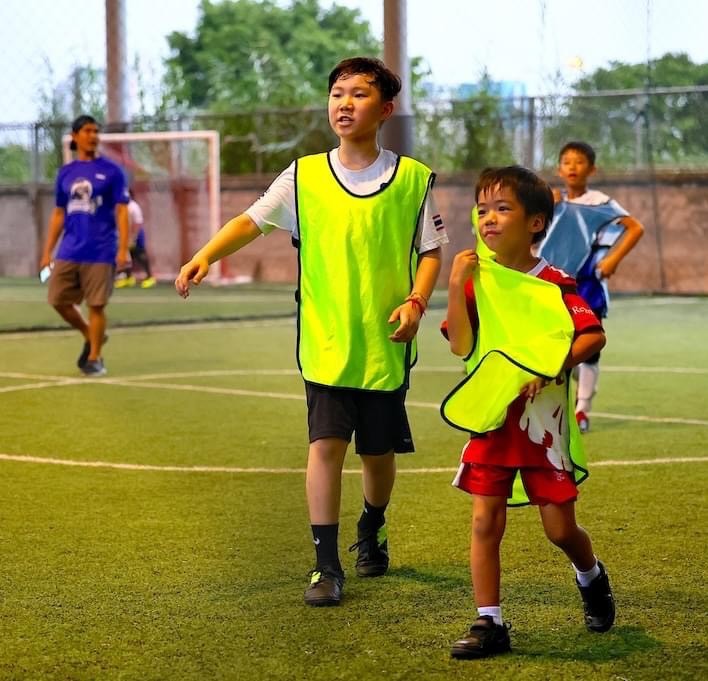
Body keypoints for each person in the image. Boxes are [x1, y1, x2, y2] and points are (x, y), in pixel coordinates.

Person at [175, 57, 447, 606]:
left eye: (359, 94)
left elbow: (432, 251)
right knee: (324, 446)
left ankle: (372, 524)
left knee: (377, 456)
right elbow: (250, 219)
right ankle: (326, 567)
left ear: (385, 108)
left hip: (384, 344)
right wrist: (205, 255)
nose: (344, 103)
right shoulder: (303, 176)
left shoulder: (413, 179)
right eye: (337, 93)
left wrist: (417, 301)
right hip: (324, 344)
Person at [442, 166, 614, 660]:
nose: (489, 219)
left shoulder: (554, 282)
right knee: (483, 522)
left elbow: (592, 335)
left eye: (502, 208)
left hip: (542, 427)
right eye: (482, 210)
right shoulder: (477, 281)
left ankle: (591, 575)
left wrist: (552, 364)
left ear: (536, 222)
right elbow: (459, 345)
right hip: (492, 419)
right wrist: (456, 285)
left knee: (560, 529)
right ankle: (488, 622)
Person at [547, 141, 644, 433]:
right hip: (552, 285)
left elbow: (635, 227)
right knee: (560, 348)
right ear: (558, 169)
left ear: (592, 169)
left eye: (579, 162)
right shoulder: (551, 200)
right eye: (567, 162)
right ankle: (570, 392)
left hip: (587, 285)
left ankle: (582, 410)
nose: (572, 167)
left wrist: (612, 258)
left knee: (589, 347)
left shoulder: (599, 202)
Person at [39, 115, 130, 377]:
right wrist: (47, 252)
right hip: (69, 249)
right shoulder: (65, 173)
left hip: (101, 250)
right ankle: (91, 335)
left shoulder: (112, 171)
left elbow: (122, 211)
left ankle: (95, 357)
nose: (93, 135)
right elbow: (58, 214)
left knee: (97, 305)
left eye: (96, 131)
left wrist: (123, 249)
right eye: (88, 131)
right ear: (75, 136)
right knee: (57, 299)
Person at [115, 188, 156, 289]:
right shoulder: (120, 206)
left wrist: (133, 237)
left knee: (140, 254)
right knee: (126, 255)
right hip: (125, 234)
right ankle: (128, 277)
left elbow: (137, 223)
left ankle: (149, 277)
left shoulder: (133, 206)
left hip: (136, 234)